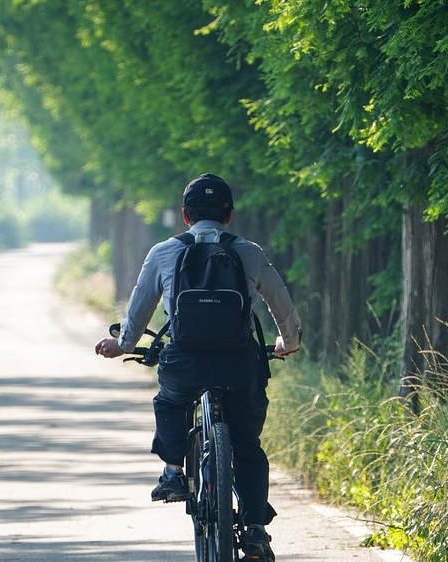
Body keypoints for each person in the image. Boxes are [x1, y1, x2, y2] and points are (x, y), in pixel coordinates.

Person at [94, 173, 301, 562]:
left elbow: (139, 311)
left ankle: (173, 472)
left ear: (186, 215)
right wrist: (287, 344)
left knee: (171, 401)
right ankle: (255, 529)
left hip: (185, 362)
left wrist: (121, 345)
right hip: (240, 364)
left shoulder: (163, 252)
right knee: (247, 444)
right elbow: (281, 304)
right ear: (229, 216)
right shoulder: (249, 251)